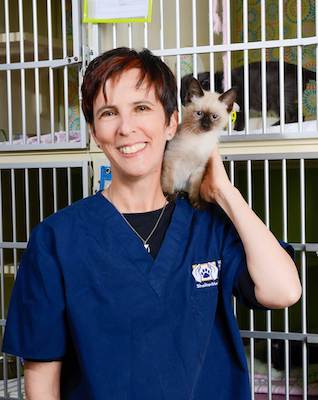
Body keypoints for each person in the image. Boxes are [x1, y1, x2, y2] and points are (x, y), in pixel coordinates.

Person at [2, 47, 301, 400]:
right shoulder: (56, 239)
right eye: (109, 113)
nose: (127, 128)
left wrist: (224, 192)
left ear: (172, 121)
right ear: (95, 132)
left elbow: (284, 291)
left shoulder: (210, 224)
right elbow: (41, 373)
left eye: (141, 108)